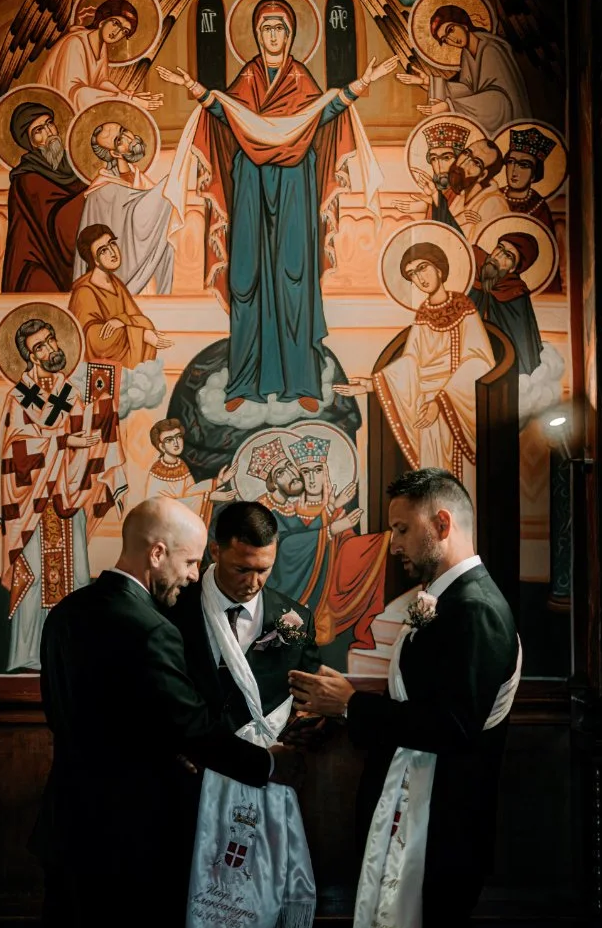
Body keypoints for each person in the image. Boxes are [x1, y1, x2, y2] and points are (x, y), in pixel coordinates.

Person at [29, 497, 305, 928]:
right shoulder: (149, 627)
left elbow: (64, 716)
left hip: (68, 827)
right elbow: (192, 727)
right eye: (185, 561)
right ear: (155, 552)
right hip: (135, 843)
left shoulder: (67, 614)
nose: (189, 574)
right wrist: (269, 763)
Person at [288, 468, 521, 928]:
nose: (391, 543)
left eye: (399, 528)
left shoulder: (476, 609)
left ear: (441, 524)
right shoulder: (449, 601)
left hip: (444, 832)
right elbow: (426, 707)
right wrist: (348, 703)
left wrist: (351, 709)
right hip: (421, 825)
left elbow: (452, 726)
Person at [159, 0, 396, 410]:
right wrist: (198, 92)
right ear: (256, 34)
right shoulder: (248, 79)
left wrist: (358, 87)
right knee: (246, 277)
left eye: (280, 28)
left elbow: (322, 114)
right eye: (266, 28)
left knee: (294, 276)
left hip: (294, 182)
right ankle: (244, 384)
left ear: (290, 35)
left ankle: (301, 383)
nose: (272, 35)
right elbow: (227, 115)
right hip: (250, 181)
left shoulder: (300, 79)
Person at [160, 501, 324, 928]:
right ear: (214, 551)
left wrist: (311, 725)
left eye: (264, 569)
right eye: (241, 569)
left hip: (266, 799)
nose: (254, 582)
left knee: (265, 923)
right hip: (187, 800)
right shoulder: (172, 612)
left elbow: (307, 704)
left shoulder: (291, 616)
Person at [0, 314, 127, 672]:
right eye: (41, 346)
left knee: (77, 577)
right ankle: (27, 656)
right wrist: (64, 440)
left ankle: (70, 653)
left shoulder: (72, 394)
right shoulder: (18, 399)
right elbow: (14, 450)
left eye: (51, 339)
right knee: (32, 577)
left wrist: (104, 417)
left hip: (67, 502)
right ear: (30, 357)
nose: (51, 348)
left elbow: (89, 437)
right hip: (32, 507)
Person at [334, 240, 495, 503]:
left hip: (455, 404)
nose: (420, 278)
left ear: (440, 269)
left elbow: (477, 360)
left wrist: (442, 400)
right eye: (413, 274)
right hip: (425, 408)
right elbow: (411, 362)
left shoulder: (463, 307)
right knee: (431, 485)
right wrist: (371, 384)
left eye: (423, 268)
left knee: (458, 485)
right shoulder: (423, 314)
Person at [250, 434, 388, 648]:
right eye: (280, 473)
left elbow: (333, 549)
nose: (291, 474)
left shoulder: (287, 507)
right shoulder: (264, 510)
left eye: (289, 466)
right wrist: (331, 529)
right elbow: (285, 546)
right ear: (272, 483)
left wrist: (332, 513)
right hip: (282, 591)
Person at [72, 119, 176, 296]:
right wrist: (171, 183)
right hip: (118, 269)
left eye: (123, 131)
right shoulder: (103, 190)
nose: (129, 138)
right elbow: (137, 218)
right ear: (115, 153)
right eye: (119, 140)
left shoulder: (138, 179)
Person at [397, 4, 531, 137]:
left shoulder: (491, 49)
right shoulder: (467, 54)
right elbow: (467, 89)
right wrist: (429, 82)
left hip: (509, 125)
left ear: (463, 24)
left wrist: (450, 106)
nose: (451, 40)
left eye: (450, 30)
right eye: (445, 39)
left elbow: (500, 101)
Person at [1, 102, 87, 293]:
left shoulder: (73, 165)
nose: (49, 132)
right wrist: (89, 193)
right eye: (39, 130)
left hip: (66, 261)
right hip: (37, 265)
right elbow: (56, 221)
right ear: (29, 142)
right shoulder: (27, 178)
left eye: (49, 123)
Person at [34, 0, 163, 114]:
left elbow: (100, 82)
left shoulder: (101, 47)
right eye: (115, 23)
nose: (116, 33)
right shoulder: (75, 43)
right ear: (102, 21)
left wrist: (124, 93)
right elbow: (75, 94)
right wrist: (127, 99)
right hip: (54, 110)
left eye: (124, 31)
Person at [69, 223, 171, 367]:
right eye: (103, 250)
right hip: (101, 370)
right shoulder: (84, 292)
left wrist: (121, 320)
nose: (112, 252)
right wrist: (141, 335)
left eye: (112, 244)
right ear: (95, 260)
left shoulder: (116, 283)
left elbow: (139, 319)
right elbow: (94, 342)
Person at [469, 230, 545, 376]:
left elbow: (521, 351)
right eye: (500, 248)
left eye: (508, 256)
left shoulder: (515, 294)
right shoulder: (474, 267)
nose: (498, 256)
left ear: (513, 268)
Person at [143, 417, 236, 528]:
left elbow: (189, 492)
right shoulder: (157, 471)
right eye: (169, 440)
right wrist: (209, 497)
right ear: (161, 446)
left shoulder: (180, 464)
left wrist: (218, 482)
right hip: (166, 528)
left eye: (178, 437)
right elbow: (165, 507)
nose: (176, 443)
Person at [499, 126, 557, 230]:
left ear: (534, 175)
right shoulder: (493, 196)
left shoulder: (538, 207)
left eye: (524, 165)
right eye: (511, 162)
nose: (514, 170)